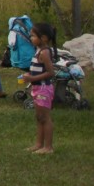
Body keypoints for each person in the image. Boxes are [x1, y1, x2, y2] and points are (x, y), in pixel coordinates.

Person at [25, 22, 57, 154]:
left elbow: (50, 72)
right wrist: (29, 75)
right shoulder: (38, 51)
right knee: (39, 117)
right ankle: (39, 144)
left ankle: (48, 147)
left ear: (43, 38)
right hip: (37, 88)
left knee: (45, 117)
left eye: (33, 36)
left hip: (44, 88)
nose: (31, 38)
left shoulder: (44, 53)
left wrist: (32, 79)